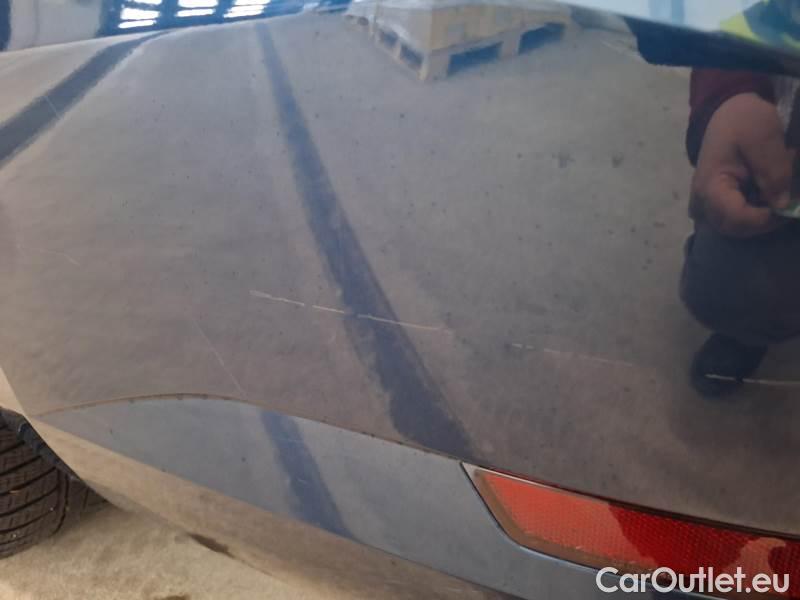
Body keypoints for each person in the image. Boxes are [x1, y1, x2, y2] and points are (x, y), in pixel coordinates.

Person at [681, 68, 800, 396]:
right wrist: (730, 98)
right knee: (734, 287)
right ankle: (747, 333)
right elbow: (725, 39)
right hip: (781, 131)